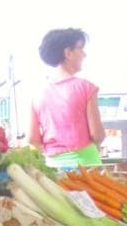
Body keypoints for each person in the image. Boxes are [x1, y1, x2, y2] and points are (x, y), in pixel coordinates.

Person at [28, 28, 105, 169]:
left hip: (53, 166)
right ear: (68, 53)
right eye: (80, 49)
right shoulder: (86, 88)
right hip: (86, 166)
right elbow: (97, 135)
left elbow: (32, 139)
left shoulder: (38, 93)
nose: (84, 54)